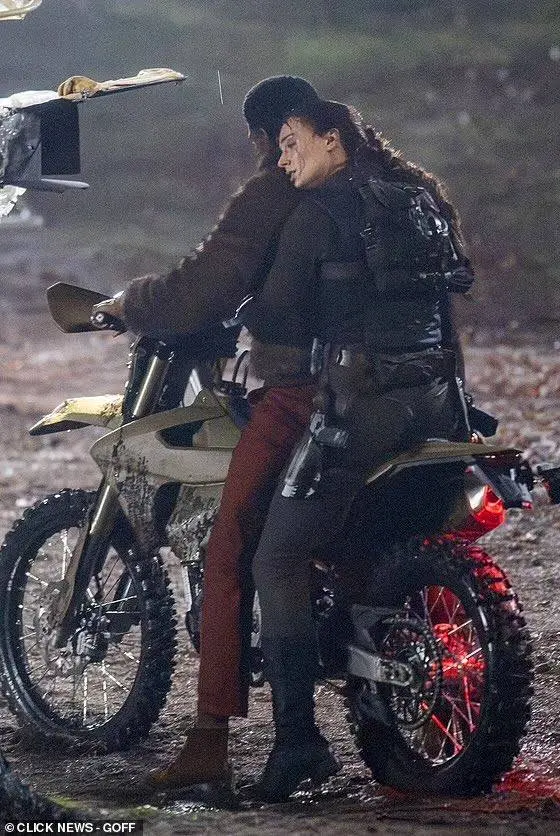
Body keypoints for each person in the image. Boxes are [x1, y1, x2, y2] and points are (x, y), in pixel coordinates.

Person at [94, 77, 329, 798]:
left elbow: (207, 281)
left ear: (267, 135)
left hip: (311, 394)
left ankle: (210, 745)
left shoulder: (280, 188)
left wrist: (133, 301)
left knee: (232, 551)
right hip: (428, 391)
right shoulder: (391, 187)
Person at [243, 98, 473, 802]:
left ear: (334, 141)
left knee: (277, 557)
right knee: (375, 539)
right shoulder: (421, 198)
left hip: (363, 406)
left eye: (292, 143)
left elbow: (277, 314)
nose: (283, 159)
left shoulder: (318, 214)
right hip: (439, 401)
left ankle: (297, 743)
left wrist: (245, 308)